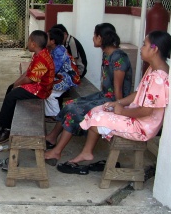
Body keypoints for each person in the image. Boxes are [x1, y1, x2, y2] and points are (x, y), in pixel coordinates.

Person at [57, 30, 171, 174]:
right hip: (136, 115)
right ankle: (87, 151)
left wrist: (123, 112)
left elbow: (147, 111)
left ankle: (87, 151)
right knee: (99, 109)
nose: (141, 48)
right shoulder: (153, 69)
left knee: (96, 117)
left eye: (144, 45)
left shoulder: (159, 78)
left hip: (143, 126)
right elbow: (138, 94)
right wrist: (119, 103)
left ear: (154, 49)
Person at [44, 23, 133, 165]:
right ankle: (52, 137)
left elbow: (118, 90)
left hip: (114, 100)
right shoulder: (107, 54)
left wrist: (118, 109)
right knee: (70, 104)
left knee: (74, 111)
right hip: (104, 95)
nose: (93, 39)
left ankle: (57, 151)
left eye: (94, 35)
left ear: (100, 37)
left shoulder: (119, 57)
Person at [0, 30, 55, 144]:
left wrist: (18, 85)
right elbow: (28, 72)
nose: (27, 43)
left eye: (29, 41)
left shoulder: (42, 59)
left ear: (33, 44)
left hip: (40, 90)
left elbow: (29, 79)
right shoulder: (39, 53)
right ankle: (2, 122)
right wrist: (16, 83)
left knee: (11, 97)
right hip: (36, 85)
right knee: (11, 88)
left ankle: (7, 130)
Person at [45, 28, 77, 121]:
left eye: (47, 37)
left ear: (53, 41)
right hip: (62, 76)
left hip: (66, 79)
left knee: (48, 92)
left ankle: (56, 115)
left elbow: (53, 69)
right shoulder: (56, 49)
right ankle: (51, 114)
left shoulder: (59, 52)